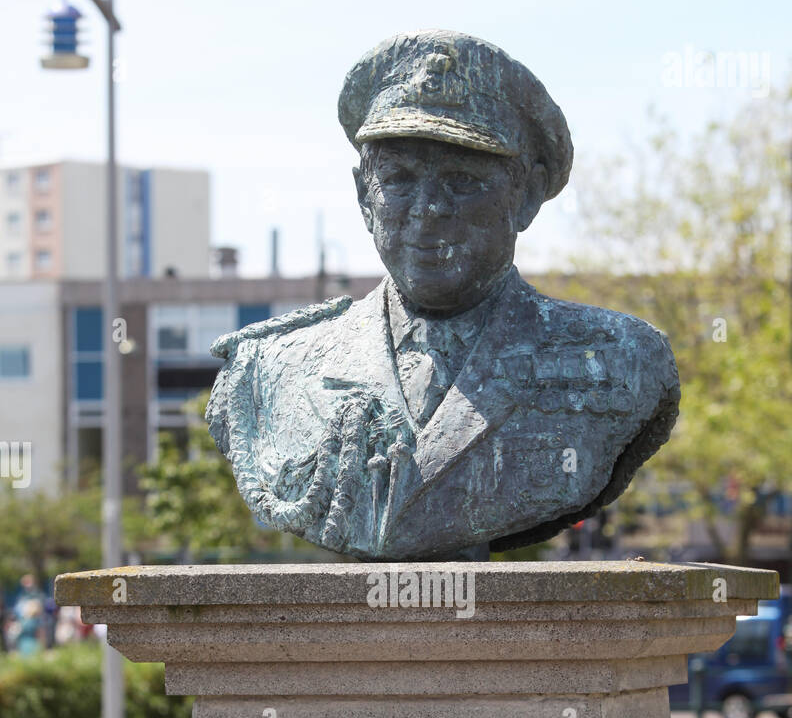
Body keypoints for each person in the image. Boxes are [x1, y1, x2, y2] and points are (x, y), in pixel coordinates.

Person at [207, 30, 679, 561]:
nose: (428, 208)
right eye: (400, 178)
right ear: (365, 195)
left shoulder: (620, 360)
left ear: (525, 196)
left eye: (462, 179)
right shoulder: (269, 369)